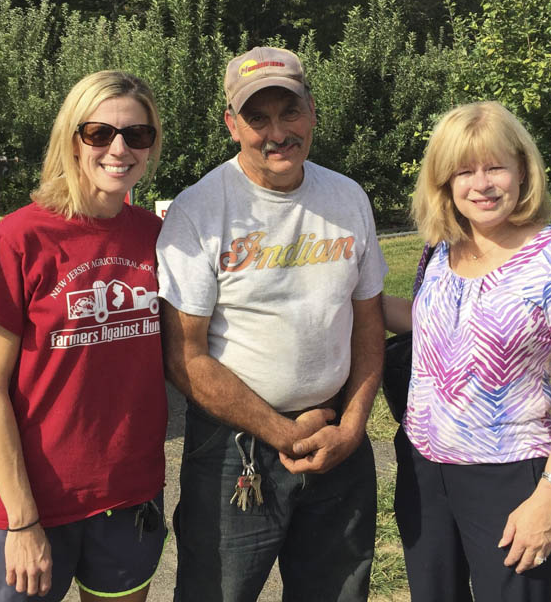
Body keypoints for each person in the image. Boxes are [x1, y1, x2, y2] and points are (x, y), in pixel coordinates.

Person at [156, 46, 389, 602]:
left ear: (312, 111)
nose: (276, 132)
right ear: (232, 124)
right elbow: (184, 357)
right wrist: (284, 434)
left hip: (337, 439)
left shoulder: (348, 196)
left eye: (290, 112)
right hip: (236, 447)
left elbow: (367, 325)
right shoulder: (200, 210)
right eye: (257, 117)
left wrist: (353, 428)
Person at [383, 100, 551, 602]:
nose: (481, 184)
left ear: (523, 172)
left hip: (508, 472)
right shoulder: (441, 246)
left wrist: (547, 497)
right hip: (422, 466)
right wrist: (344, 297)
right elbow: (424, 321)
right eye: (463, 171)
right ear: (444, 183)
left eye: (495, 167)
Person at [0, 71, 168, 602]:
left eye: (137, 135)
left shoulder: (157, 236)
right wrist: (23, 522)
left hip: (129, 494)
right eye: (99, 133)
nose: (119, 148)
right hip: (35, 503)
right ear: (72, 141)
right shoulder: (21, 237)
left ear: (151, 145)